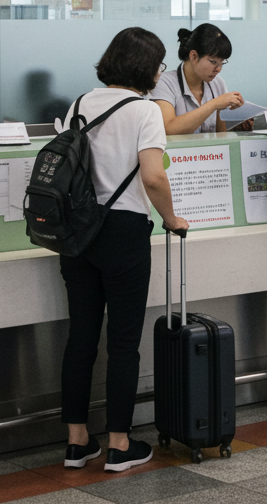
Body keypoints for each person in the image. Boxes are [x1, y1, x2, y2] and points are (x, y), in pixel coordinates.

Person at [59, 28, 189, 472]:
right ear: (149, 69)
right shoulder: (145, 111)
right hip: (124, 232)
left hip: (76, 232)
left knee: (80, 337)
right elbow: (153, 176)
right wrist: (171, 219)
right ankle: (118, 443)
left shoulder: (78, 103)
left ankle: (77, 442)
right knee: (124, 342)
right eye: (159, 64)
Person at [151, 25, 245, 134]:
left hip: (211, 151)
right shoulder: (164, 82)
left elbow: (221, 135)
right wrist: (214, 104)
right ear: (194, 56)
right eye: (213, 62)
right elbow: (168, 128)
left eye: (222, 63)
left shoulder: (217, 83)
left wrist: (236, 111)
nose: (218, 69)